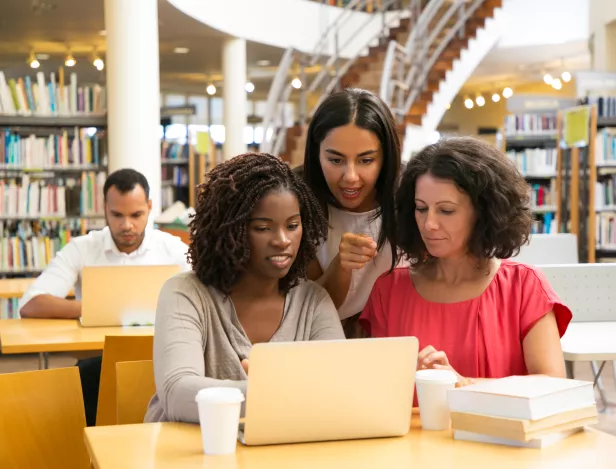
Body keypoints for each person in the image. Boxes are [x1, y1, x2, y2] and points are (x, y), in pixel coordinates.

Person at [145, 153, 345, 424]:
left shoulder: (313, 301)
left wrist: (269, 394)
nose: (282, 240)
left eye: (293, 226)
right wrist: (279, 393)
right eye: (263, 228)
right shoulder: (185, 293)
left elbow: (340, 389)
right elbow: (177, 395)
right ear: (230, 230)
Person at [360, 137, 572, 385]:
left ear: (484, 212)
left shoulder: (524, 287)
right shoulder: (389, 291)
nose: (429, 224)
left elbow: (553, 384)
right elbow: (375, 388)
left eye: (446, 210)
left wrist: (464, 384)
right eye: (421, 208)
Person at [19, 168, 190, 426]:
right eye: (117, 215)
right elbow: (31, 304)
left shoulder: (172, 248)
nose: (127, 225)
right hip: (97, 365)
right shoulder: (82, 248)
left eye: (136, 215)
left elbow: (210, 292)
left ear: (150, 207)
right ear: (104, 209)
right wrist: (96, 308)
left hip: (159, 364)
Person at [302, 88, 403, 338]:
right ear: (316, 154)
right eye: (335, 160)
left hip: (402, 341)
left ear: (386, 157)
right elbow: (307, 310)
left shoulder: (411, 198)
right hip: (324, 343)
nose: (350, 177)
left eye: (366, 160)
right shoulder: (297, 201)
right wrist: (341, 266)